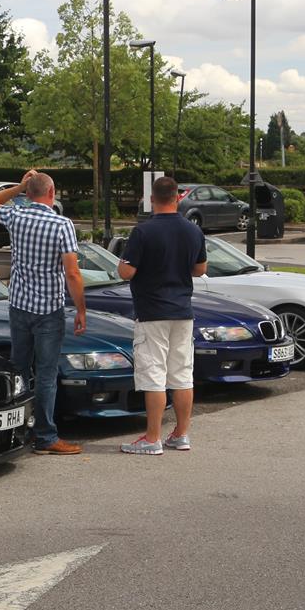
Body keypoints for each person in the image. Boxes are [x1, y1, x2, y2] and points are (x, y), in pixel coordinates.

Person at [0, 170, 86, 456]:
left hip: (19, 306)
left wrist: (19, 186)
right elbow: (72, 273)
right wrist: (81, 309)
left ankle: (14, 431)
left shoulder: (16, 216)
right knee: (46, 375)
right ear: (52, 193)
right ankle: (45, 436)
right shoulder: (62, 224)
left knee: (19, 368)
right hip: (48, 309)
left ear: (29, 194)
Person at [116, 175, 207, 455]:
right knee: (182, 374)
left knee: (153, 373)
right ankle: (181, 434)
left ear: (152, 199)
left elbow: (126, 272)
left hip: (152, 311)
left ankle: (152, 437)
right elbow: (200, 269)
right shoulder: (193, 230)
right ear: (178, 197)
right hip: (183, 310)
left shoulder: (143, 232)